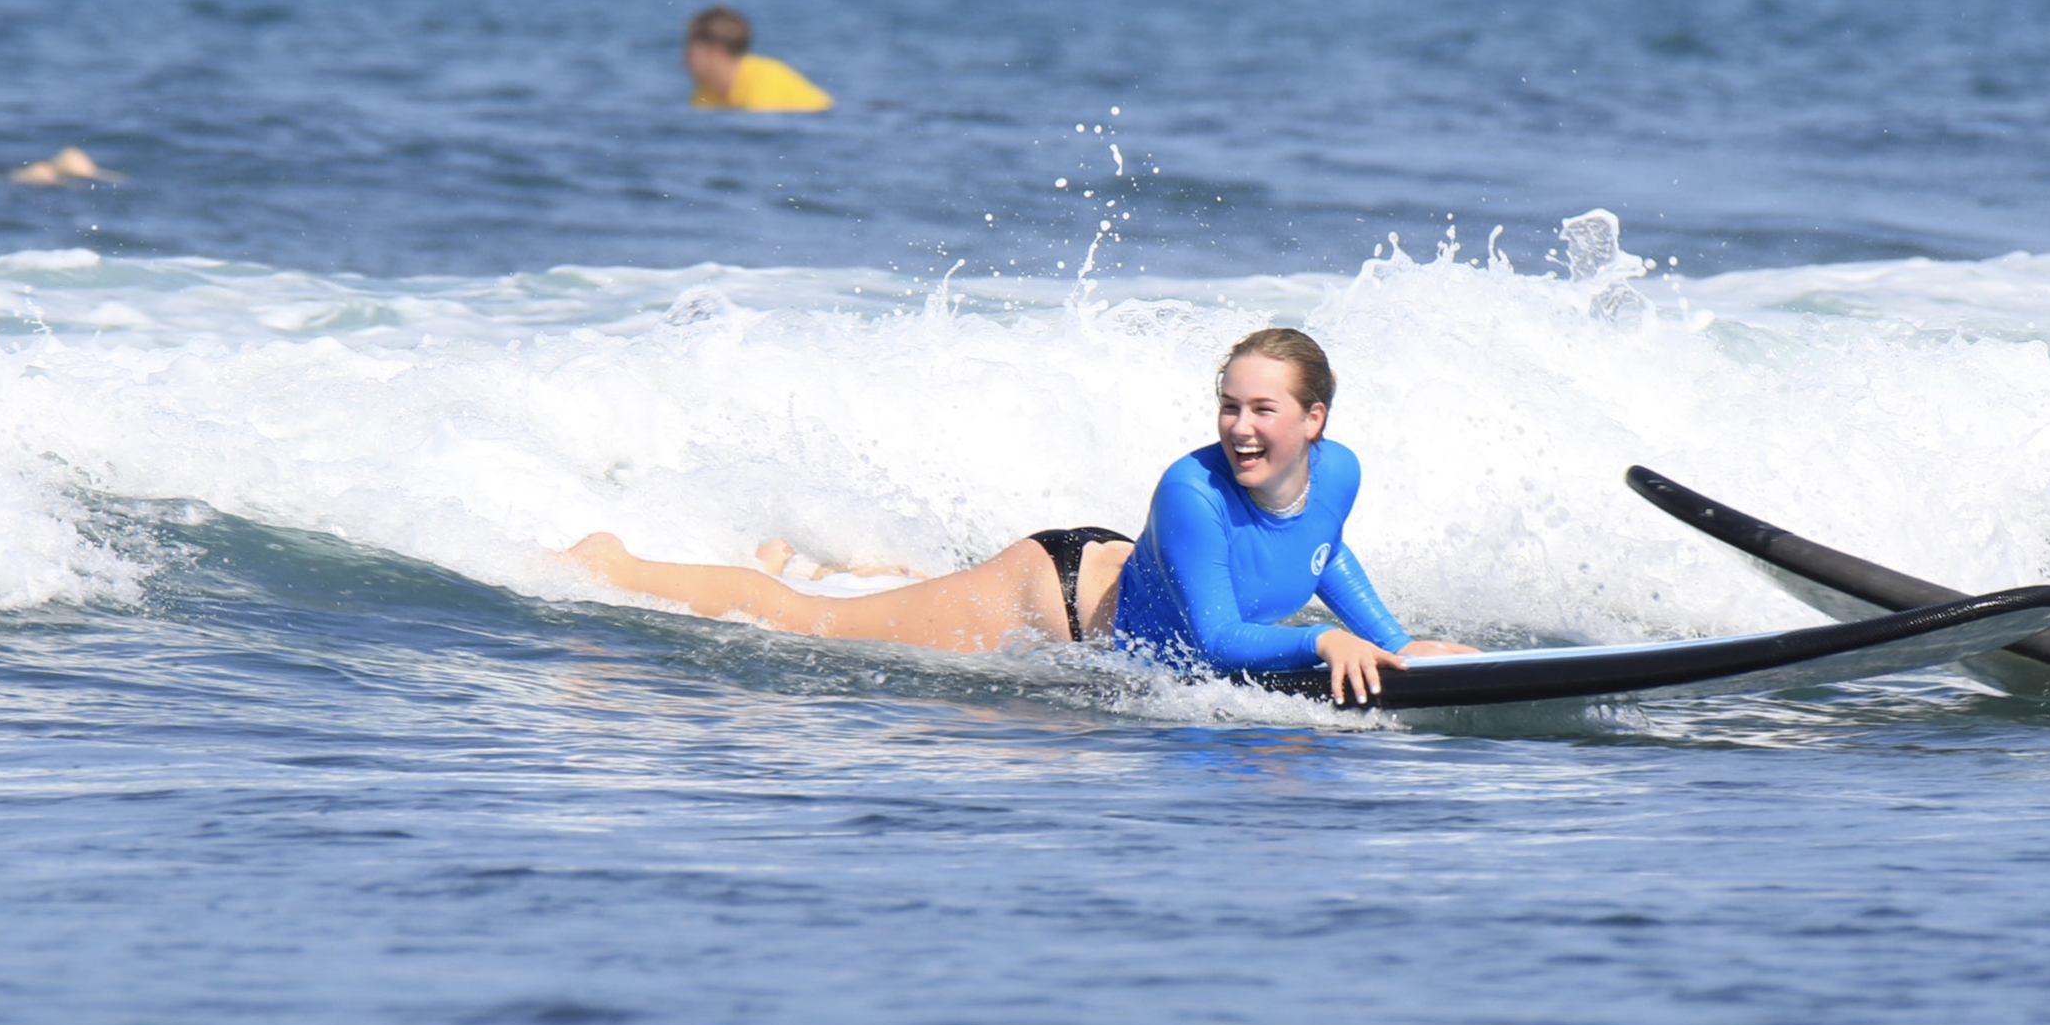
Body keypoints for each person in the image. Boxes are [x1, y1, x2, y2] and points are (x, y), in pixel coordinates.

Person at [561, 328, 1475, 703]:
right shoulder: (1189, 493)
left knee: (875, 603)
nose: (1239, 427)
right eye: (1228, 406)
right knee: (818, 628)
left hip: (1115, 580)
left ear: (1314, 421)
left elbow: (1322, 552)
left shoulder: (1340, 473)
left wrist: (1396, 640)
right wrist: (1323, 646)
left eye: (1263, 411)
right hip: (1055, 598)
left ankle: (816, 562)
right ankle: (621, 564)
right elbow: (1224, 639)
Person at [683, 7, 832, 113]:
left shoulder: (763, 83)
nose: (685, 61)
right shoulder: (707, 92)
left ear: (716, 53)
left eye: (691, 53)